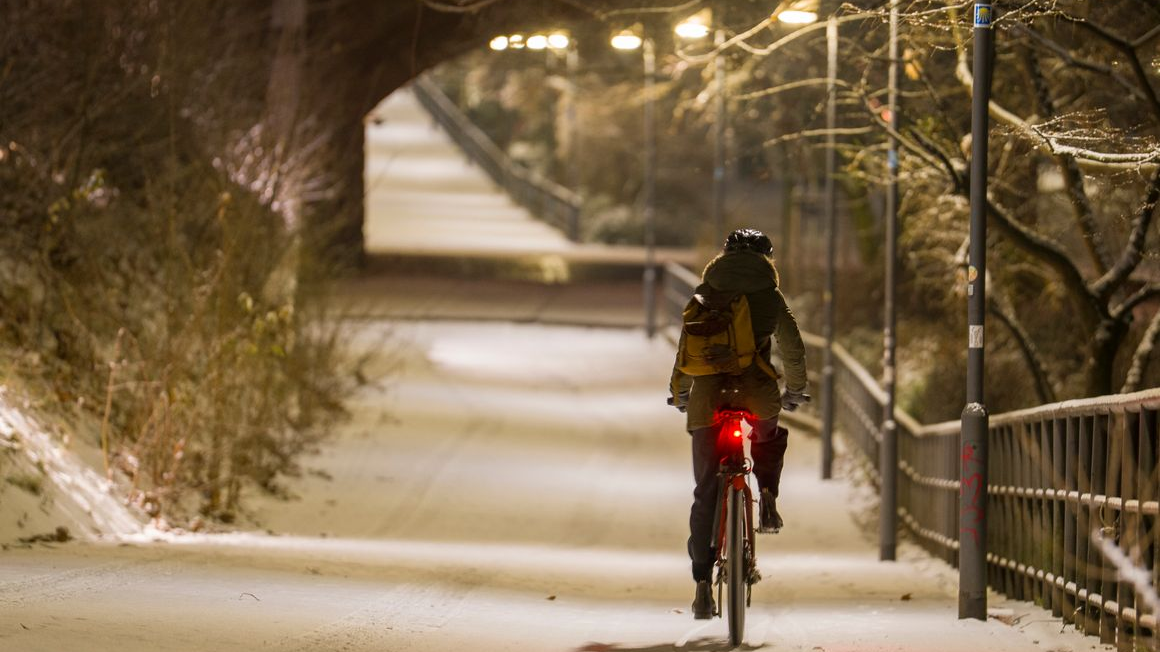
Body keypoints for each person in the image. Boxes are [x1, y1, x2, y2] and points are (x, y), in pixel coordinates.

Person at [668, 228, 809, 620]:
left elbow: (686, 347)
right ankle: (767, 498)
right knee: (767, 438)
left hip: (707, 399)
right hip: (756, 391)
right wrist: (795, 390)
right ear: (767, 259)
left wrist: (681, 393)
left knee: (705, 490)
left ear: (724, 255)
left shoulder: (706, 290)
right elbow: (792, 347)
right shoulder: (770, 294)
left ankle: (700, 585)